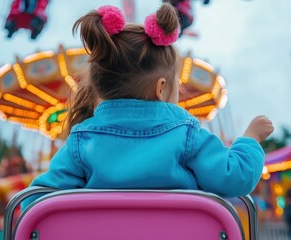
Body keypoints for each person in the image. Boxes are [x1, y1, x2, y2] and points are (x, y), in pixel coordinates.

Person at [21, 3, 274, 209]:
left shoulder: (81, 142)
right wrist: (250, 139)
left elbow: (35, 201)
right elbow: (234, 178)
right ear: (161, 88)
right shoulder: (187, 135)